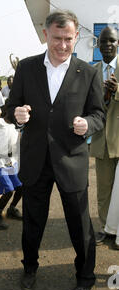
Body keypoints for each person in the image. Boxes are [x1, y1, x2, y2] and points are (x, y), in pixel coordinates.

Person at [7, 10, 105, 290]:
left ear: (76, 37)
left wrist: (89, 124)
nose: (63, 45)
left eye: (69, 39)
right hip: (35, 159)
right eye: (57, 38)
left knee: (80, 223)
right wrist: (16, 113)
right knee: (32, 220)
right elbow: (10, 107)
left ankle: (85, 278)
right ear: (45, 35)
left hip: (71, 159)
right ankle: (30, 268)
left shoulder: (88, 73)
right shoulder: (26, 68)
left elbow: (99, 113)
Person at [89, 26, 119, 246]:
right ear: (98, 46)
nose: (107, 45)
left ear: (118, 43)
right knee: (104, 189)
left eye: (112, 41)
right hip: (102, 141)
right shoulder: (92, 71)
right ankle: (105, 228)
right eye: (103, 42)